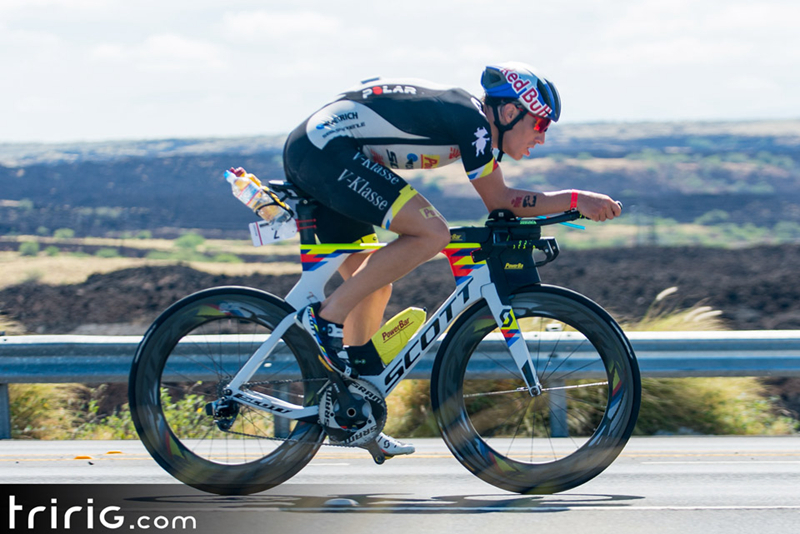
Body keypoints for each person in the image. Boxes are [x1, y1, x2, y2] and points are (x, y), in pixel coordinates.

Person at [279, 62, 621, 457]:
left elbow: (504, 203)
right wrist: (577, 199)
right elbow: (501, 200)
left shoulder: (474, 123)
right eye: (540, 125)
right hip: (326, 150)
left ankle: (353, 408)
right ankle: (327, 318)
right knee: (432, 232)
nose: (541, 138)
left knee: (373, 285)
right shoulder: (474, 123)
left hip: (326, 149)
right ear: (510, 113)